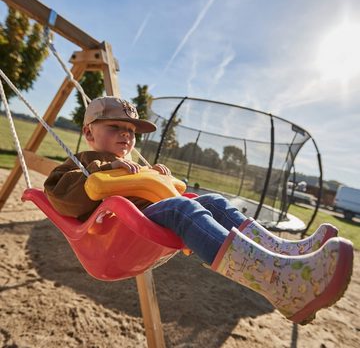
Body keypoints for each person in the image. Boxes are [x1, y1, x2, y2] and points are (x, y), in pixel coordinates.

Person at [44, 96, 353, 325]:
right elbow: (60, 195)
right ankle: (278, 282)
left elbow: (161, 192)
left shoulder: (134, 163)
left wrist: (155, 175)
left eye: (131, 130)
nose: (126, 135)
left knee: (213, 201)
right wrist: (107, 171)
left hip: (150, 222)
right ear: (88, 133)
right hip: (117, 234)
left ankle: (284, 251)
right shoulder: (82, 162)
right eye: (115, 127)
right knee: (181, 209)